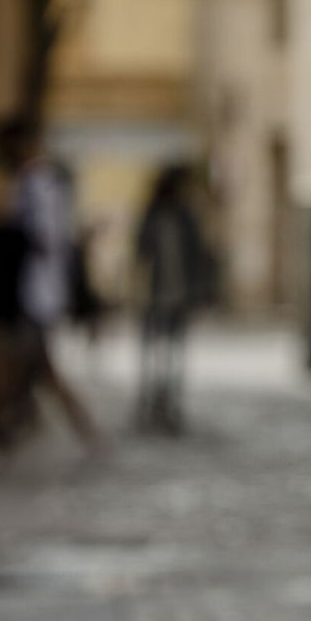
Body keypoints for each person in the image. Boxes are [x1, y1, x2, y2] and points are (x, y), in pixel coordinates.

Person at [0, 116, 99, 450]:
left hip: (33, 293)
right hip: (37, 291)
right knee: (28, 366)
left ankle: (81, 428)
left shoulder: (38, 183)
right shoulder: (40, 182)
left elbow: (44, 239)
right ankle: (9, 426)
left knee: (26, 366)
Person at [132, 163, 212, 433]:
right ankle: (150, 402)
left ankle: (170, 404)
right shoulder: (153, 216)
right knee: (153, 351)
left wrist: (196, 291)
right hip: (155, 294)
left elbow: (196, 254)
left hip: (178, 293)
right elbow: (140, 251)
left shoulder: (185, 217)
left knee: (174, 351)